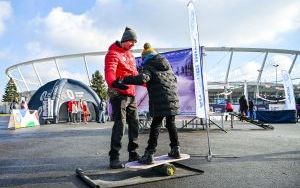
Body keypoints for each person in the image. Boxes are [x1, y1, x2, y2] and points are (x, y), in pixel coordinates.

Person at [120, 43, 181, 164]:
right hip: (173, 99)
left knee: (155, 125)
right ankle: (176, 149)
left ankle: (150, 153)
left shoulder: (149, 66)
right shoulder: (167, 66)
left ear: (146, 58)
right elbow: (175, 80)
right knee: (171, 123)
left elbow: (143, 78)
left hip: (159, 100)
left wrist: (124, 79)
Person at [104, 27, 140, 169]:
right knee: (120, 125)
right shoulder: (113, 53)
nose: (133, 45)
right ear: (125, 39)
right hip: (119, 94)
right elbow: (109, 71)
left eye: (135, 42)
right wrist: (113, 82)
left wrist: (145, 80)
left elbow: (134, 73)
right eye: (132, 41)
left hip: (131, 94)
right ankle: (114, 157)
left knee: (135, 123)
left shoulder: (130, 55)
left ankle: (133, 153)